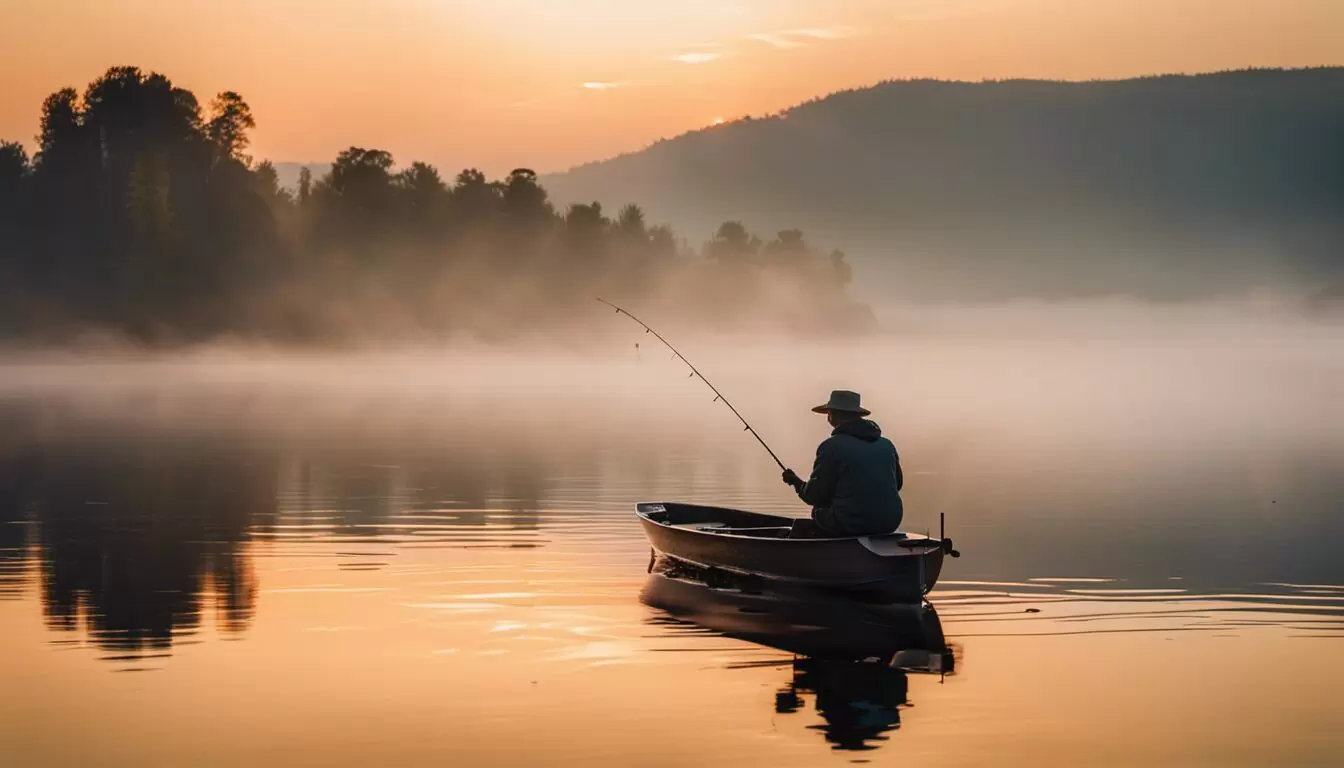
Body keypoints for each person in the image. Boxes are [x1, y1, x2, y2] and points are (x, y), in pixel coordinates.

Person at [782, 390, 903, 536]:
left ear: (834, 415)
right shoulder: (886, 445)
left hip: (851, 523)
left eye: (829, 413)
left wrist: (795, 482)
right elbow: (898, 484)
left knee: (818, 510)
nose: (828, 417)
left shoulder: (831, 446)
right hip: (890, 522)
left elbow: (814, 496)